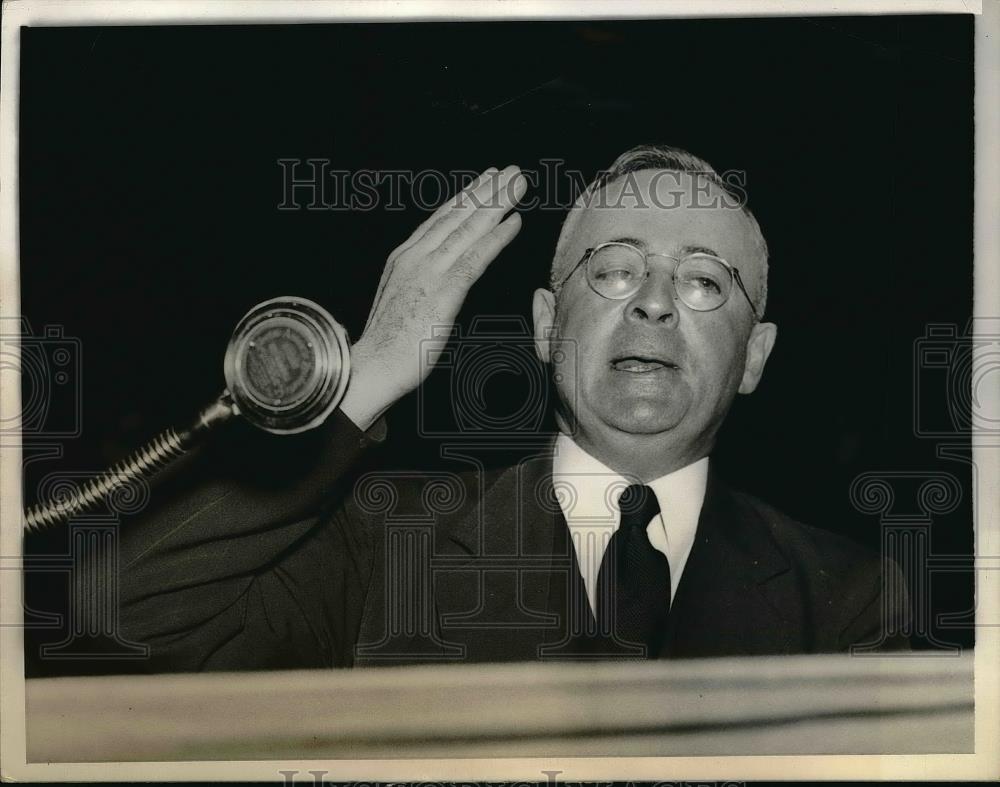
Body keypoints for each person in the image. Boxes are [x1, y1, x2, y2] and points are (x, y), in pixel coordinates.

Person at [116, 145, 910, 671]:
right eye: (616, 270)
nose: (656, 305)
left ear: (755, 358)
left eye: (704, 280)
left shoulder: (858, 599)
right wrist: (365, 375)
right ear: (544, 324)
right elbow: (122, 633)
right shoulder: (380, 547)